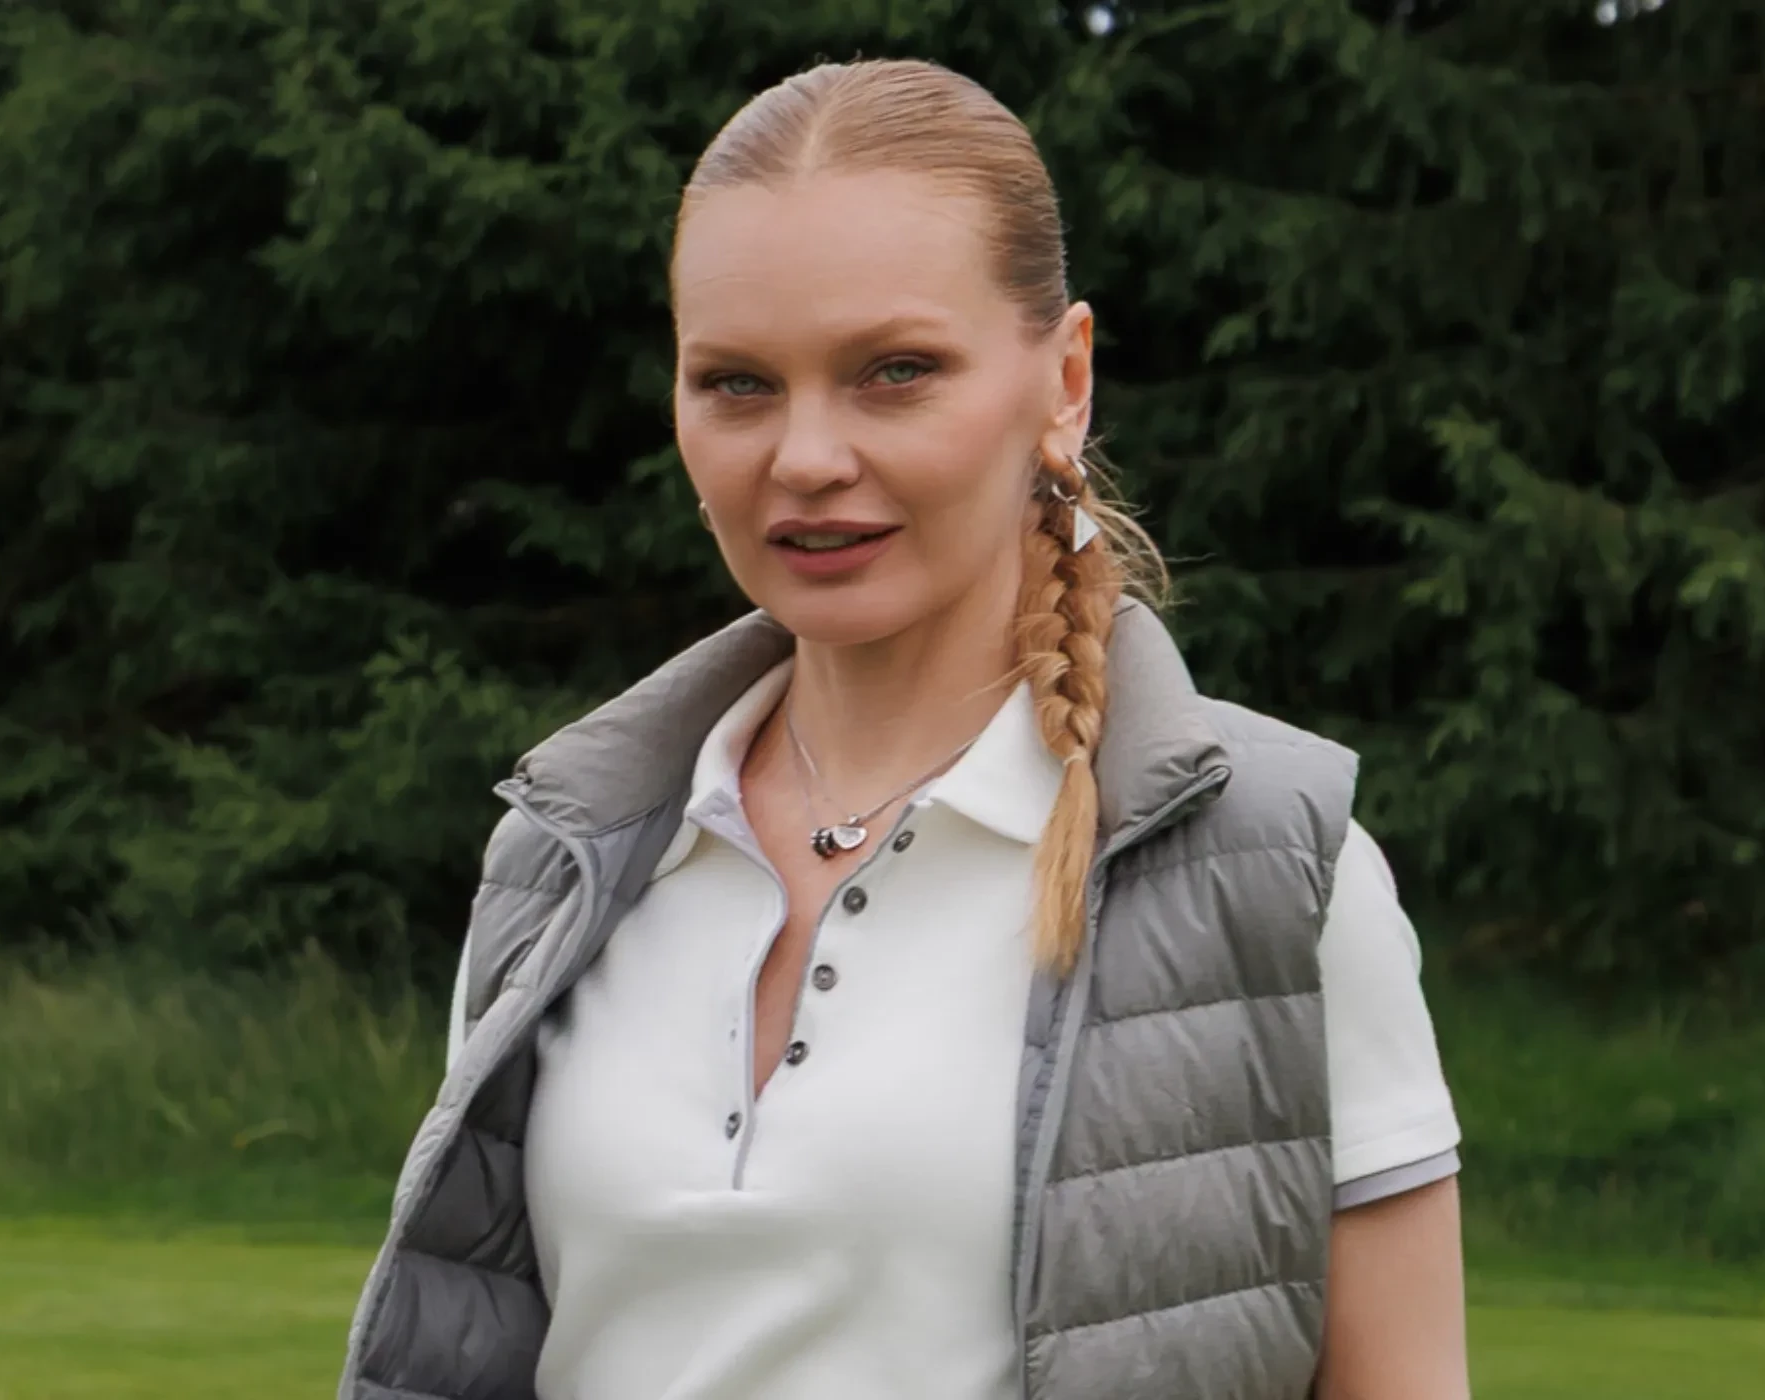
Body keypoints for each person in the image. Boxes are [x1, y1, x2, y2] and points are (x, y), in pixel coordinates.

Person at [338, 57, 1468, 1400]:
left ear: (1065, 381)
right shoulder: (561, 858)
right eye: (737, 383)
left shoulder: (1274, 866)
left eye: (894, 372)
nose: (806, 457)